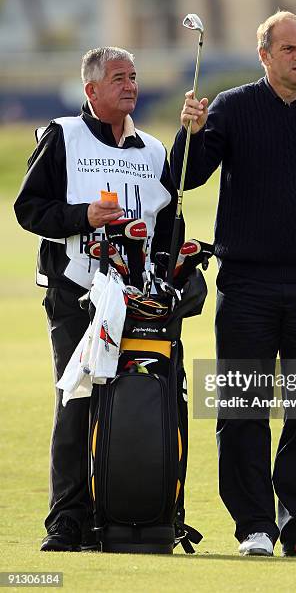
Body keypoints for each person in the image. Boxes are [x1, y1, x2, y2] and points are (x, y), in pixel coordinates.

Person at [171, 11, 296, 558]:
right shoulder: (232, 109)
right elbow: (185, 176)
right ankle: (255, 525)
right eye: (288, 48)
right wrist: (187, 131)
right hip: (247, 285)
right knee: (243, 409)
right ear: (264, 55)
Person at [14, 47, 181, 552]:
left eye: (134, 76)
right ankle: (66, 520)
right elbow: (29, 209)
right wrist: (82, 217)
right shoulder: (62, 135)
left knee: (138, 403)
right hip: (75, 292)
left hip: (138, 296)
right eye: (117, 78)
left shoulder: (155, 151)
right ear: (91, 90)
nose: (129, 85)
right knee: (77, 401)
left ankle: (132, 513)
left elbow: (169, 225)